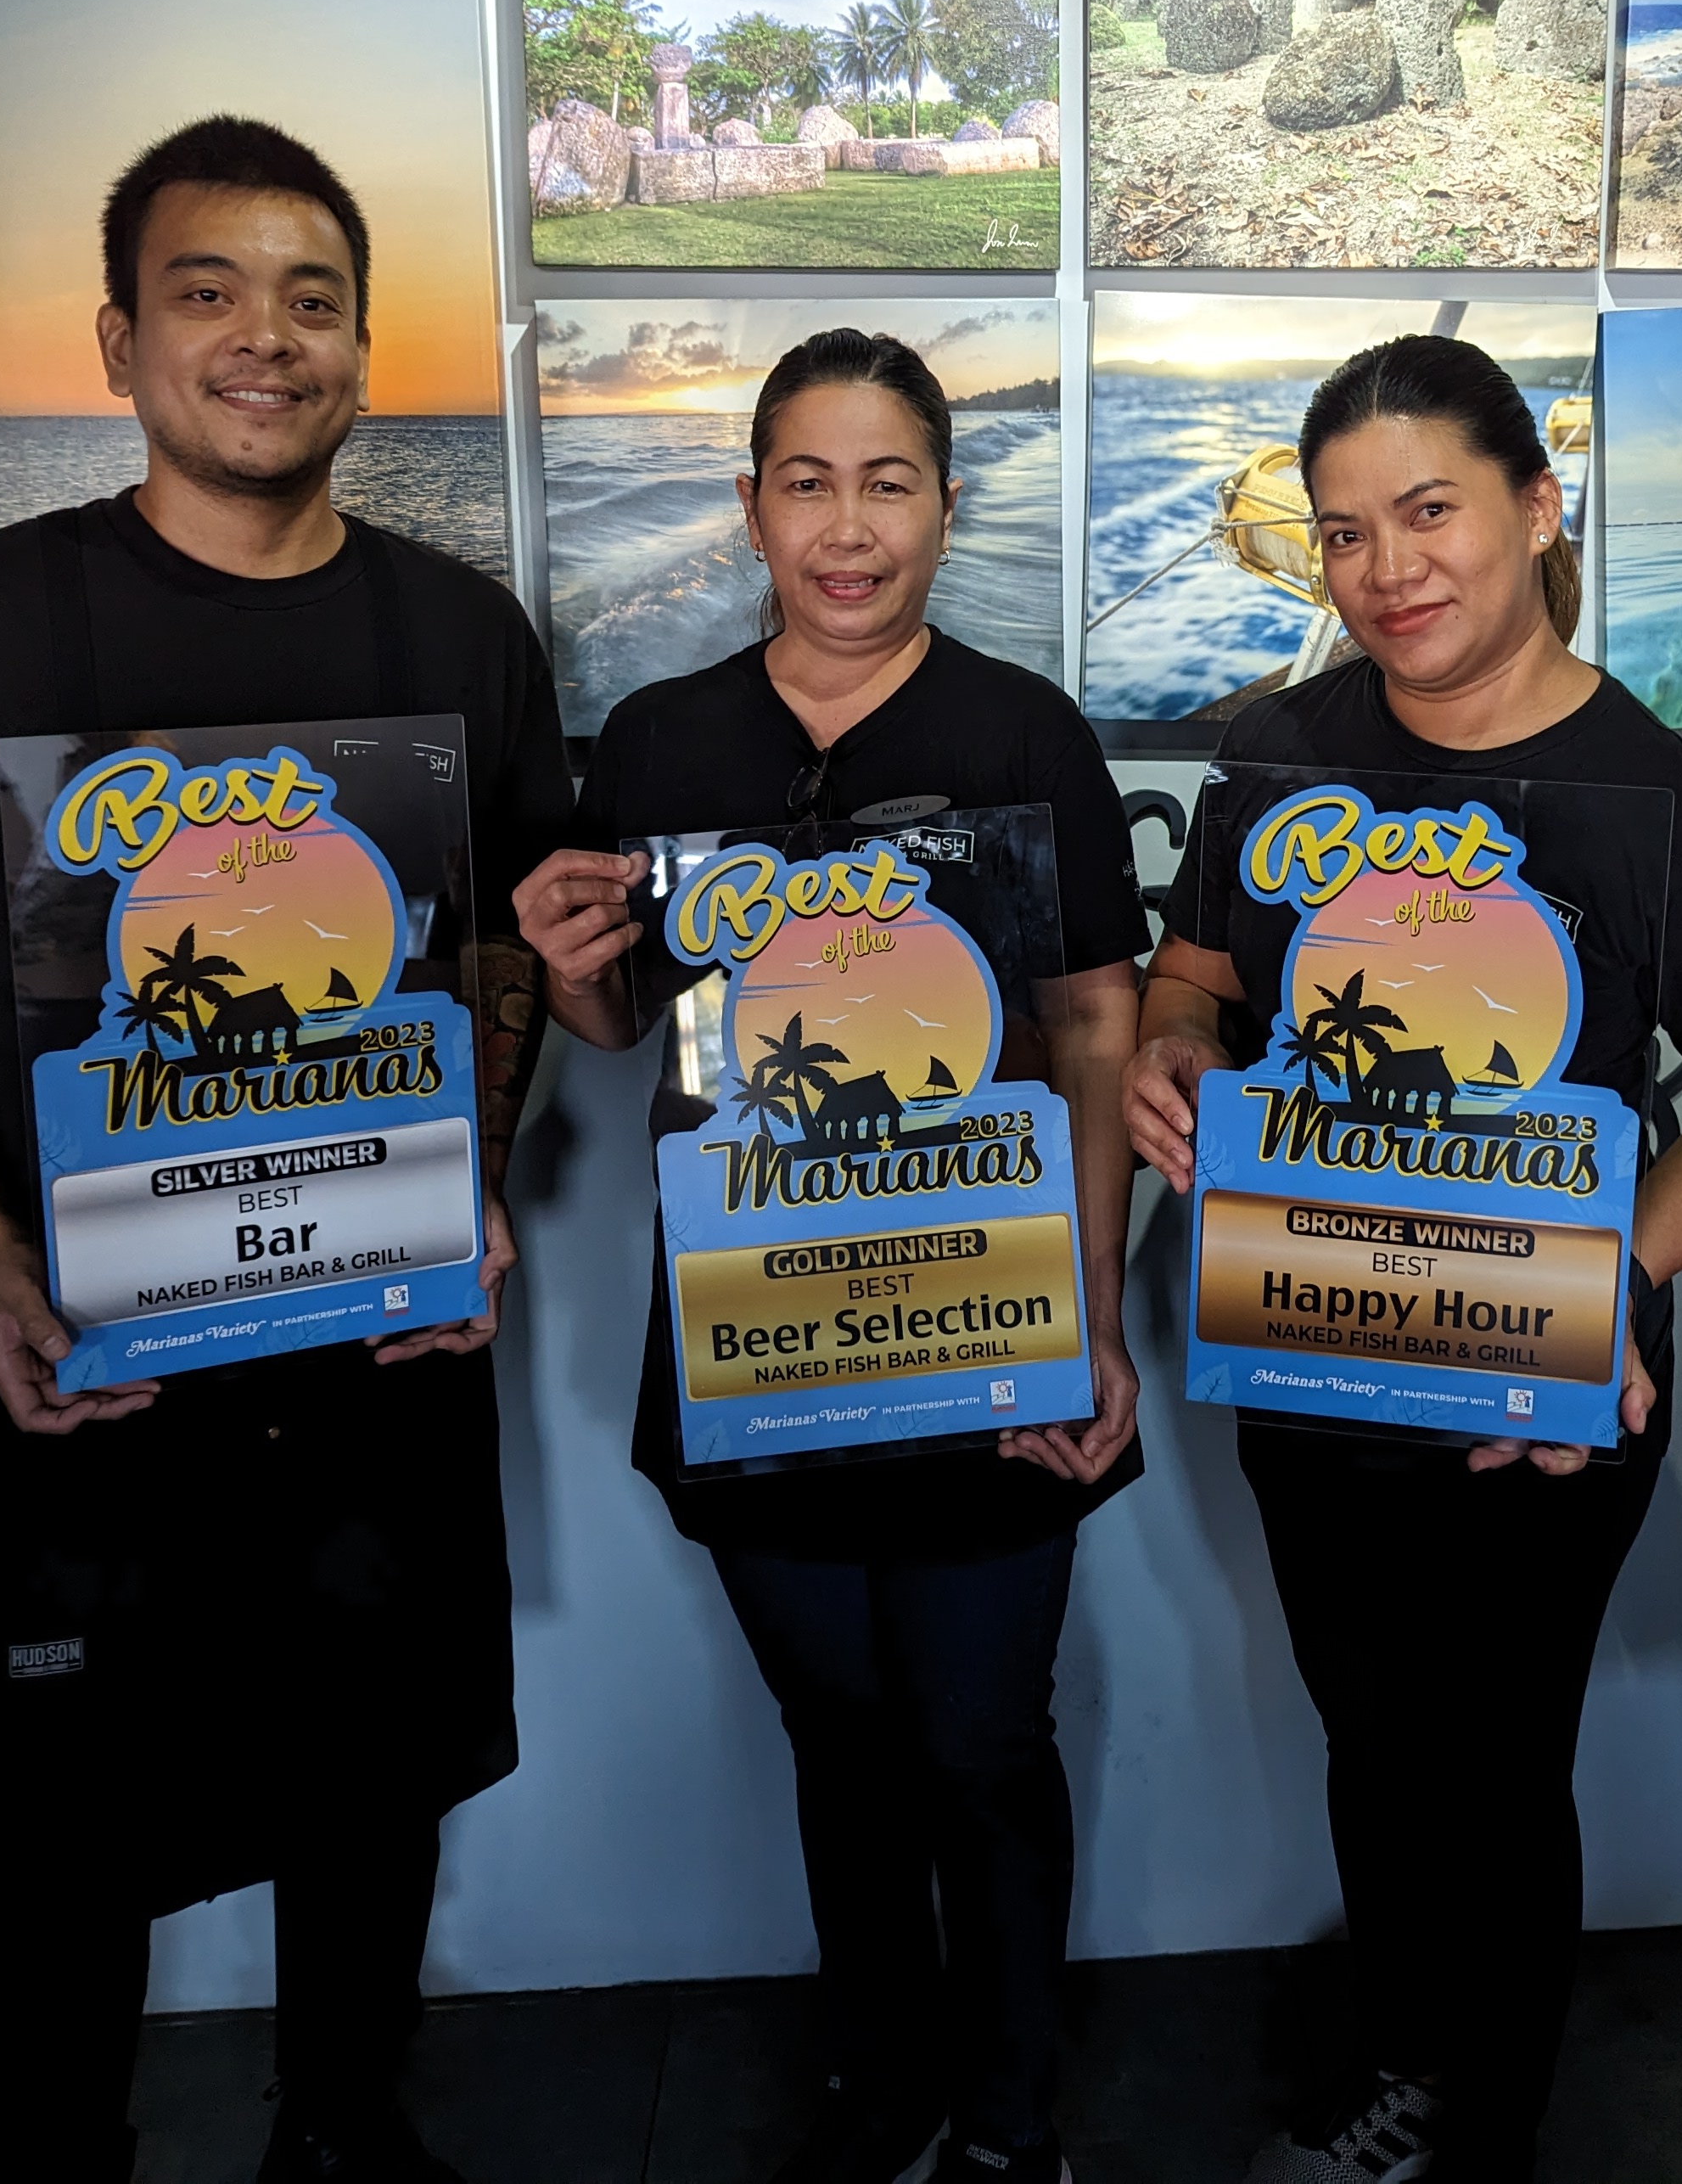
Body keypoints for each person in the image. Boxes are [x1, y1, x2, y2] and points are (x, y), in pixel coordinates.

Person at [0, 116, 569, 2184]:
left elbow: (495, 952)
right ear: (123, 337)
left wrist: (473, 1180)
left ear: (364, 350)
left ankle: (343, 2132)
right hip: (82, 1365)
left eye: (314, 299)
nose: (266, 338)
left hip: (376, 1360)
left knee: (367, 1805)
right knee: (51, 1868)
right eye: (211, 293)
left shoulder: (463, 641)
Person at [1120, 335, 1682, 2184]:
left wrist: (1611, 1294)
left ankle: (1478, 2122)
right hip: (1314, 1342)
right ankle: (1405, 2070)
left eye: (1430, 512)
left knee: (1494, 1769)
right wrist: (1174, 1062)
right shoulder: (1277, 749)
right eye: (1346, 533)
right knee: (1373, 1733)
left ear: (1535, 507)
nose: (1389, 570)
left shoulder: (1671, 808)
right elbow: (1191, 980)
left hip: (1549, 1385)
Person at [512, 330, 1148, 2184]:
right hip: (751, 1339)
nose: (848, 529)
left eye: (889, 484)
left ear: (949, 503)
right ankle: (886, 2093)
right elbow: (638, 1028)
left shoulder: (1026, 732)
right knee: (843, 1745)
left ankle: (1015, 2115)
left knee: (980, 1740)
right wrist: (569, 969)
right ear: (751, 504)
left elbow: (1096, 1028)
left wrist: (1094, 1313)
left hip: (990, 1322)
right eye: (809, 482)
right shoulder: (656, 738)